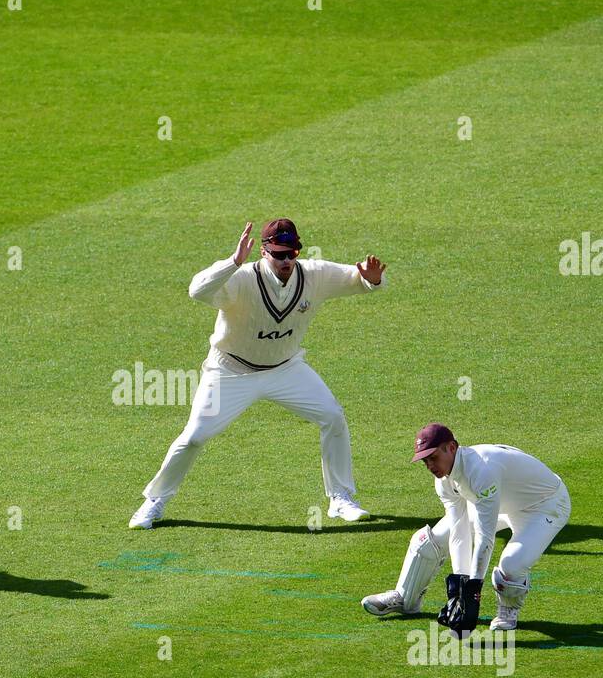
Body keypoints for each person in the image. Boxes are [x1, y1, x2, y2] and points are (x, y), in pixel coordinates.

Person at [131, 218, 386, 529]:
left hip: (286, 369)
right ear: (264, 252)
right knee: (194, 437)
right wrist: (232, 262)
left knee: (332, 416)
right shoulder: (240, 279)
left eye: (292, 253)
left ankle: (341, 498)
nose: (287, 261)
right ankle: (155, 501)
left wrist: (371, 280)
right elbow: (197, 291)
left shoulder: (314, 274)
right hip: (230, 371)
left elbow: (355, 278)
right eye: (279, 254)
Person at [362, 423, 570, 631]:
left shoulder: (482, 470)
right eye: (425, 461)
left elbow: (484, 537)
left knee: (511, 566)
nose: (430, 466)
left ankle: (508, 610)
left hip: (545, 506)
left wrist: (473, 589)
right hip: (503, 504)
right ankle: (406, 599)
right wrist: (459, 588)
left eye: (433, 457)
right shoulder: (443, 480)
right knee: (429, 541)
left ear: (451, 447)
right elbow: (458, 531)